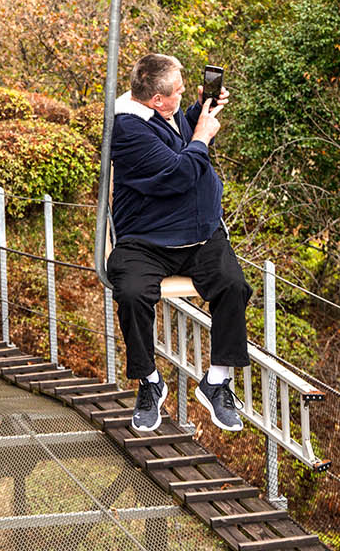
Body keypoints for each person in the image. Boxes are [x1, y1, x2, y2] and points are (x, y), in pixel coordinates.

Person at [108, 52, 249, 434]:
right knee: (133, 292)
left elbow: (177, 136)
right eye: (179, 93)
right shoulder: (129, 130)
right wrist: (203, 135)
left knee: (233, 285)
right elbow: (178, 172)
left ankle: (216, 381)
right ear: (156, 100)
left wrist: (197, 112)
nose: (183, 95)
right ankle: (149, 381)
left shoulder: (164, 115)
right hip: (147, 239)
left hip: (198, 235)